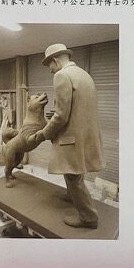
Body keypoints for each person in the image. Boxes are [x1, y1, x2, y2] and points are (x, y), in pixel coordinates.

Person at [30, 42, 104, 228]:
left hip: (72, 138)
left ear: (55, 60)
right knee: (75, 171)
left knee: (73, 177)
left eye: (49, 65)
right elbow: (79, 108)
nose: (50, 70)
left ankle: (89, 218)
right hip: (85, 136)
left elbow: (61, 116)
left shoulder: (62, 75)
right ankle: (72, 196)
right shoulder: (84, 75)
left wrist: (43, 134)